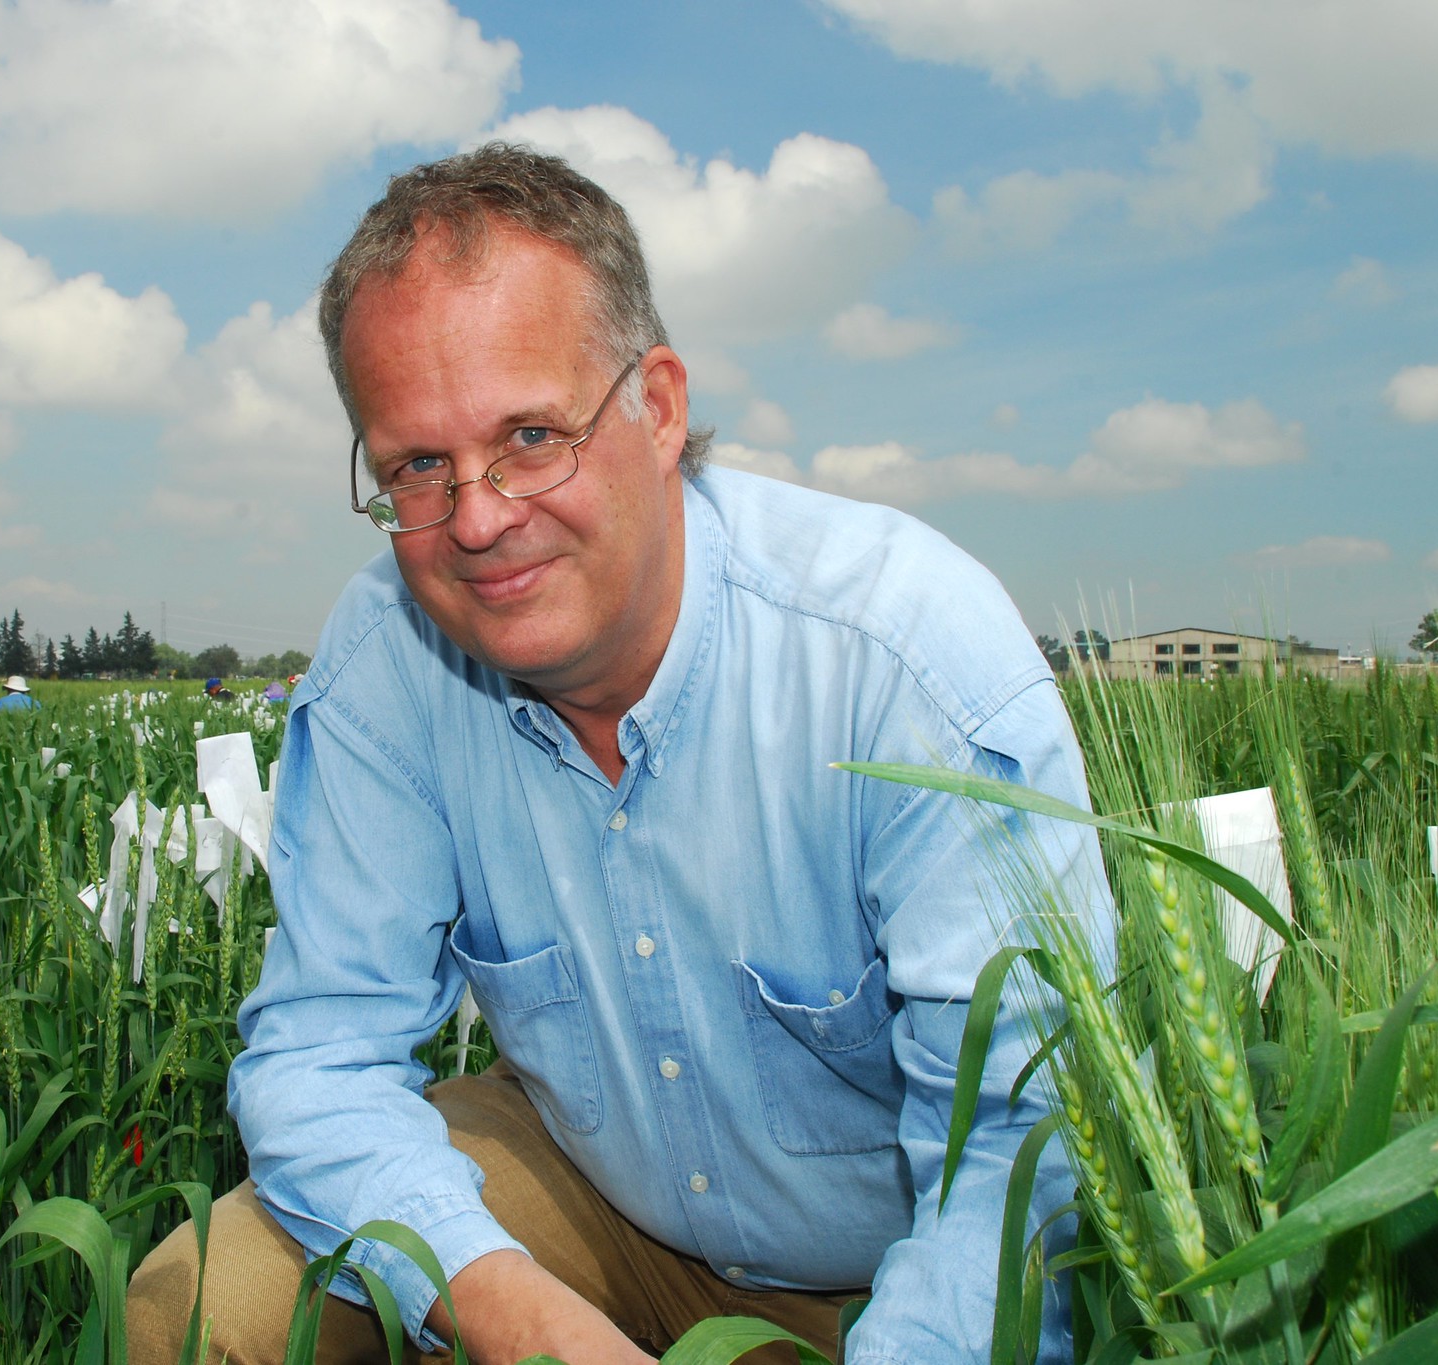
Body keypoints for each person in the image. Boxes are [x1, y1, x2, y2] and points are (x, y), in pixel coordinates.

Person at [128, 144, 1112, 1364]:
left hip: (884, 1275)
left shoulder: (896, 661)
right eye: (415, 466)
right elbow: (319, 1057)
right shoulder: (388, 660)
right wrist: (499, 1303)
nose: (478, 519)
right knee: (208, 1314)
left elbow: (1017, 1159)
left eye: (530, 435)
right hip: (596, 1205)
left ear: (656, 405)